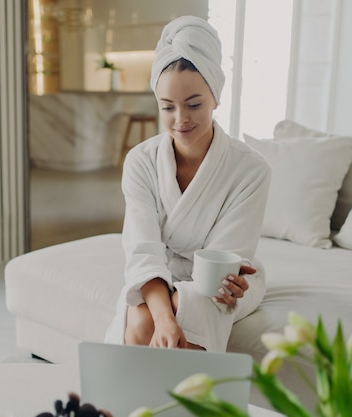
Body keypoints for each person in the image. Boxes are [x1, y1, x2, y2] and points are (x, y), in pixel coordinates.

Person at [104, 16, 271, 352]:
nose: (180, 119)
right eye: (168, 107)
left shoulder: (252, 170)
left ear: (215, 98)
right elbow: (143, 248)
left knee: (187, 314)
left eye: (193, 104)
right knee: (142, 323)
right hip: (157, 271)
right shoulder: (140, 162)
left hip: (222, 282)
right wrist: (163, 317)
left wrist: (176, 310)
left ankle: (190, 403)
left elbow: (222, 262)